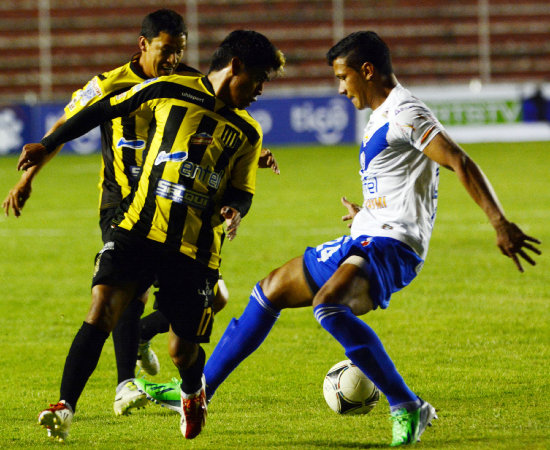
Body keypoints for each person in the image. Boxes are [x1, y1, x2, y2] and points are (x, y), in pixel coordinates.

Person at [141, 31, 538, 446]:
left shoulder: (406, 113)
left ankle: (406, 405)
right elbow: (399, 186)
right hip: (368, 236)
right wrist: (365, 213)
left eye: (342, 77)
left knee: (327, 306)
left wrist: (499, 222)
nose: (340, 87)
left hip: (392, 248)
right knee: (269, 289)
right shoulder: (381, 116)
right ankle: (200, 390)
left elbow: (458, 159)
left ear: (366, 70)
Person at [4, 8, 279, 417]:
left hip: (184, 213)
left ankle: (153, 353)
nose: (172, 59)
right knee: (116, 298)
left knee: (214, 300)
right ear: (143, 45)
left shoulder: (183, 84)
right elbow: (74, 117)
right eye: (166, 50)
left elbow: (203, 134)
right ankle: (117, 387)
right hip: (125, 204)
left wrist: (239, 159)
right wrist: (31, 174)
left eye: (179, 51)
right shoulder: (111, 84)